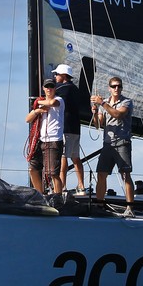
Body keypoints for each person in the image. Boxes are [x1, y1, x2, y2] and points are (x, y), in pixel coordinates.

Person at [90, 76, 134, 216]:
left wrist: (102, 103)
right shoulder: (106, 103)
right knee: (101, 174)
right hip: (108, 144)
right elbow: (99, 124)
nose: (117, 88)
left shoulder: (126, 102)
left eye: (119, 86)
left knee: (125, 174)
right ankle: (99, 205)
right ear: (109, 88)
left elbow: (117, 115)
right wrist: (96, 113)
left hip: (122, 142)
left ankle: (130, 208)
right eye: (114, 86)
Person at [25, 77, 64, 194]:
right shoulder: (41, 105)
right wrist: (37, 110)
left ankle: (58, 198)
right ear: (43, 88)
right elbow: (27, 119)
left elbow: (52, 103)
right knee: (33, 168)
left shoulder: (59, 100)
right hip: (41, 140)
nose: (49, 89)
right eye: (47, 87)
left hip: (53, 140)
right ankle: (40, 195)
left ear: (55, 88)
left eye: (51, 86)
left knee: (52, 173)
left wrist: (38, 102)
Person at [52, 64, 85, 194]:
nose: (55, 77)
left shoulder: (61, 89)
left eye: (57, 74)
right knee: (75, 156)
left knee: (63, 156)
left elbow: (50, 99)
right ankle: (81, 186)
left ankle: (62, 186)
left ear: (64, 76)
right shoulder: (75, 89)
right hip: (75, 127)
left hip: (65, 127)